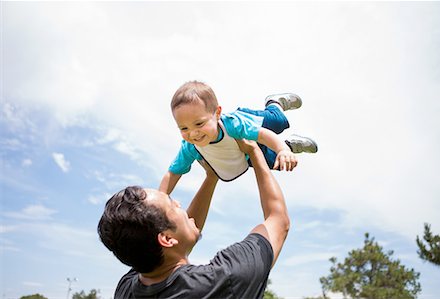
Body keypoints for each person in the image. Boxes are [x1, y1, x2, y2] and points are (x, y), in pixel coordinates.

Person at [97, 139, 290, 298]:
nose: (180, 205)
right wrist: (254, 150)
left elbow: (179, 240)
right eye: (173, 205)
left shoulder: (126, 291)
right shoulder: (224, 280)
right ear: (165, 239)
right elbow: (278, 221)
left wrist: (211, 177)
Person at [159, 80, 318, 194]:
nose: (193, 133)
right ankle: (290, 146)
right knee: (273, 161)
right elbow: (173, 172)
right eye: (184, 128)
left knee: (277, 122)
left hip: (247, 125)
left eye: (199, 124)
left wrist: (281, 149)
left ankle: (275, 103)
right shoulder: (190, 147)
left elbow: (262, 135)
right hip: (243, 154)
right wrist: (161, 200)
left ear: (217, 114)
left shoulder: (233, 124)